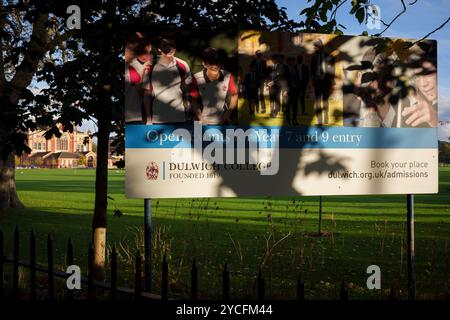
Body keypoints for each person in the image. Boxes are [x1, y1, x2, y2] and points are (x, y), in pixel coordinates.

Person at [143, 36, 192, 124]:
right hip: (157, 119)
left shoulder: (183, 65)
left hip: (180, 118)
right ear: (159, 49)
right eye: (165, 45)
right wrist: (149, 119)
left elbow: (188, 91)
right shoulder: (150, 66)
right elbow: (147, 94)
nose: (170, 48)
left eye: (172, 45)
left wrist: (189, 114)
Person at [191, 47, 238, 125]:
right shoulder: (196, 78)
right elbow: (193, 100)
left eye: (217, 62)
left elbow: (234, 95)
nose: (215, 65)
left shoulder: (228, 76)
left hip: (222, 121)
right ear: (204, 64)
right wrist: (200, 118)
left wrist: (227, 114)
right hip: (201, 122)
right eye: (211, 62)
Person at [125, 33, 152, 124]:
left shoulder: (140, 66)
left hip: (135, 118)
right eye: (132, 42)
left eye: (138, 42)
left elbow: (145, 92)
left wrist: (148, 120)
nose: (134, 45)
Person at [311, 39, 335, 125]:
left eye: (315, 47)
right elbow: (312, 70)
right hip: (317, 81)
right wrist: (313, 79)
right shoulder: (313, 57)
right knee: (317, 101)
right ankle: (319, 120)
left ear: (320, 47)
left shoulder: (329, 56)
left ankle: (326, 117)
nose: (314, 48)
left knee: (325, 100)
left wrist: (332, 80)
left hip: (326, 81)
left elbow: (332, 69)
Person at [266, 54, 285, 118]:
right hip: (270, 86)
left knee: (277, 99)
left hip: (277, 85)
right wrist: (267, 83)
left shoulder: (280, 66)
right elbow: (267, 75)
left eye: (275, 59)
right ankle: (271, 112)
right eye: (272, 59)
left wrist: (273, 82)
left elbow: (280, 76)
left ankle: (276, 112)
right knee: (271, 99)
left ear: (277, 59)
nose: (273, 60)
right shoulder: (269, 66)